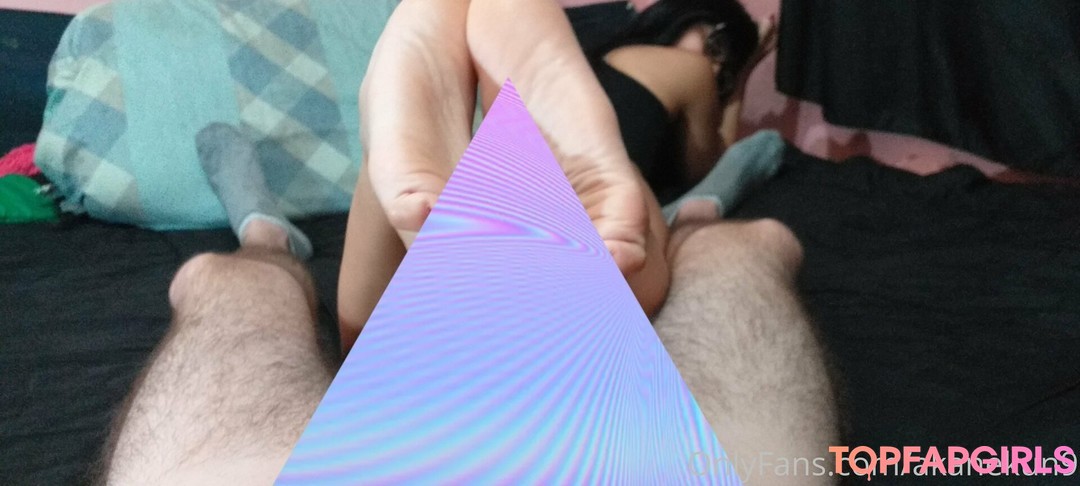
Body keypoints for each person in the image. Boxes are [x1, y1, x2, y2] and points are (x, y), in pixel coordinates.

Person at [98, 1, 838, 484]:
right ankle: (688, 221)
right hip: (608, 187)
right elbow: (700, 153)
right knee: (725, 245)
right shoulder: (689, 71)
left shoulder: (607, 51)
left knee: (232, 282)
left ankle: (270, 232)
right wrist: (730, 87)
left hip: (511, 139)